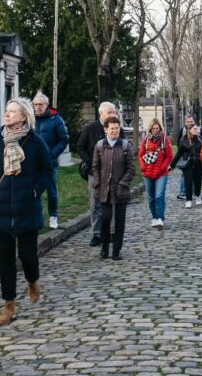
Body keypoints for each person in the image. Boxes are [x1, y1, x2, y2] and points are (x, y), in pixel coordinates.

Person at [0, 98, 53, 325]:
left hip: (27, 209)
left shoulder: (35, 142)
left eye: (12, 111)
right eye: (6, 111)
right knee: (6, 259)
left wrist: (35, 191)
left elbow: (47, 170)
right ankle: (8, 305)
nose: (7, 114)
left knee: (28, 256)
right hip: (1, 211)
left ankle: (32, 281)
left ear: (23, 116)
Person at [77, 102, 122, 246]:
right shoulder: (90, 128)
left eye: (114, 112)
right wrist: (91, 162)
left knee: (112, 202)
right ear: (101, 114)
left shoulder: (117, 128)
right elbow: (80, 147)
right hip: (95, 171)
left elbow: (123, 147)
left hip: (113, 172)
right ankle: (96, 234)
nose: (112, 115)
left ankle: (111, 232)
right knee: (95, 203)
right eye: (109, 112)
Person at [91, 115, 135, 260]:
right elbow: (95, 167)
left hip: (121, 189)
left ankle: (117, 249)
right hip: (105, 189)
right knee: (105, 218)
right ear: (106, 130)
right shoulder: (100, 146)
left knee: (120, 221)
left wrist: (123, 183)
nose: (115, 131)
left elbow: (131, 169)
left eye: (117, 128)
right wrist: (98, 182)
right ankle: (104, 247)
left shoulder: (125, 146)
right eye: (112, 128)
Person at [32, 91, 69, 230]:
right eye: (36, 104)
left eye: (40, 104)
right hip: (32, 162)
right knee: (33, 190)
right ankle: (36, 217)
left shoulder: (55, 119)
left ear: (46, 105)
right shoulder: (29, 119)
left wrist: (52, 155)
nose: (38, 107)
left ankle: (53, 217)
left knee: (51, 191)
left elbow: (64, 139)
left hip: (49, 163)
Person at [138, 118, 173, 228]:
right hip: (147, 172)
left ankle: (160, 218)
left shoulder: (164, 139)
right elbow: (140, 155)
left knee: (159, 195)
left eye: (157, 128)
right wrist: (143, 166)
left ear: (160, 128)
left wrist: (162, 167)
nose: (155, 130)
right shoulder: (145, 140)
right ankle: (154, 217)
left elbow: (169, 156)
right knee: (151, 197)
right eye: (153, 128)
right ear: (150, 129)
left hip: (161, 173)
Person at [171, 124, 202, 207]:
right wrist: (172, 165)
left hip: (198, 164)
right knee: (188, 182)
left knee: (198, 181)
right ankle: (188, 200)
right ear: (189, 130)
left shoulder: (200, 139)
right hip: (188, 164)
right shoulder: (183, 140)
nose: (196, 130)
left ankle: (197, 195)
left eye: (197, 129)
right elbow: (179, 154)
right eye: (194, 129)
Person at [177, 114, 196, 199]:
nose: (189, 123)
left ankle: (193, 192)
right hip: (185, 156)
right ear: (185, 122)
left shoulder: (196, 130)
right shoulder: (182, 130)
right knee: (184, 175)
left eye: (191, 121)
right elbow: (178, 142)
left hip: (195, 156)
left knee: (194, 174)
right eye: (188, 122)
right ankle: (182, 192)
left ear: (194, 121)